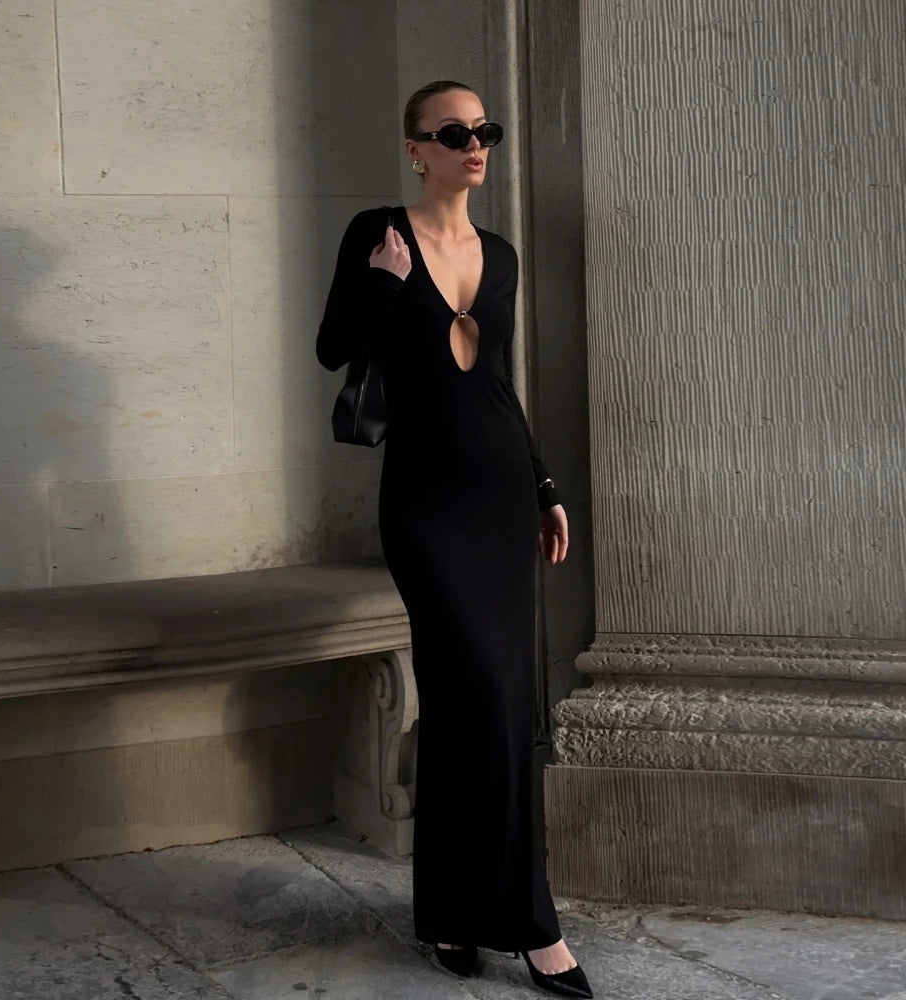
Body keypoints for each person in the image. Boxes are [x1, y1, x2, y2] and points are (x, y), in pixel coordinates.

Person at [315, 80, 592, 999]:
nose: (475, 145)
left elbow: (500, 388)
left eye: (486, 131)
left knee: (500, 705)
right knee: (479, 692)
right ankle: (534, 928)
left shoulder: (501, 255)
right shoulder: (377, 234)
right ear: (416, 149)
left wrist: (546, 485)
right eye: (454, 132)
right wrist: (386, 287)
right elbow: (332, 346)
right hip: (428, 508)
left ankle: (450, 918)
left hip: (504, 500)